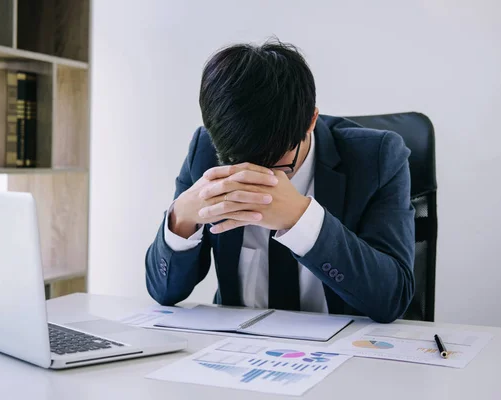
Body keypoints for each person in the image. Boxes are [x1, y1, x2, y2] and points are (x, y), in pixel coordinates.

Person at [145, 39, 415, 323]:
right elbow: (164, 292)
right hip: (236, 348)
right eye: (240, 162)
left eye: (277, 163)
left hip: (344, 351)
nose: (256, 175)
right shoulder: (206, 150)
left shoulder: (378, 157)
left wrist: (302, 220)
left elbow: (392, 298)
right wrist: (181, 218)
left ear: (311, 120)